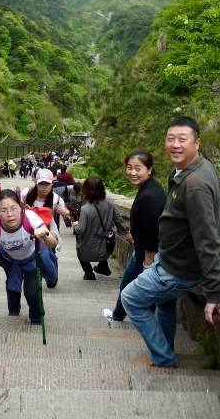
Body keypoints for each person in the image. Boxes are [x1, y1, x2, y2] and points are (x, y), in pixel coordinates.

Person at [121, 117, 220, 368]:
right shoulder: (189, 170)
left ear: (197, 143)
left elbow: (208, 240)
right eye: (170, 139)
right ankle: (165, 353)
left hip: (177, 269)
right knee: (165, 305)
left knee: (130, 298)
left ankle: (163, 357)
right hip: (173, 259)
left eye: (182, 139)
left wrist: (214, 293)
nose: (175, 145)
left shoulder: (195, 185)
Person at [102, 150, 165, 325]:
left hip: (145, 253)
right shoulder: (151, 187)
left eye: (138, 168)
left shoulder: (148, 196)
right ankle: (119, 314)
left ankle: (119, 316)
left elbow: (153, 232)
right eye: (129, 167)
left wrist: (147, 264)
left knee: (127, 287)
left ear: (149, 169)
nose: (133, 172)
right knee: (139, 289)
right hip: (145, 249)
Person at [0, 189, 57, 323]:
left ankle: (36, 318)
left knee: (32, 294)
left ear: (21, 208)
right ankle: (13, 310)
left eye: (14, 208)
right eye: (4, 210)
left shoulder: (30, 218)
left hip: (32, 258)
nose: (10, 214)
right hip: (9, 259)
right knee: (12, 285)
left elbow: (53, 243)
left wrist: (44, 235)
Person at [72, 176, 129, 281]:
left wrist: (75, 225)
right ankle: (103, 266)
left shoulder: (85, 209)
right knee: (103, 251)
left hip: (88, 247)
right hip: (106, 245)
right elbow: (118, 219)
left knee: (80, 251)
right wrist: (125, 232)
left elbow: (81, 230)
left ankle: (89, 274)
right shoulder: (109, 201)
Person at [21, 168, 69, 255]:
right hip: (28, 234)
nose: (44, 186)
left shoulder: (56, 200)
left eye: (47, 184)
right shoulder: (26, 194)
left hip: (47, 236)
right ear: (36, 183)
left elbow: (67, 215)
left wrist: (66, 213)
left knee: (48, 261)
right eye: (41, 183)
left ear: (52, 184)